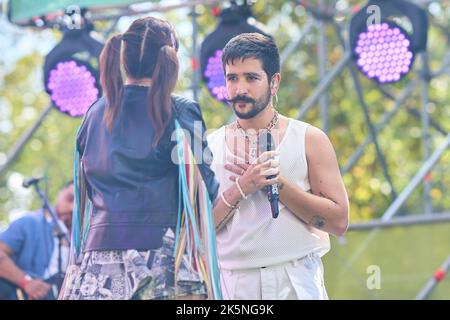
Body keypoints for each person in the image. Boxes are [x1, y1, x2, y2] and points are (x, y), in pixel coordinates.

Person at [59, 17, 226, 300]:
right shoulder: (179, 111)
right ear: (171, 57)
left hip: (96, 262)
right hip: (158, 256)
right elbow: (204, 191)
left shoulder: (94, 114)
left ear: (123, 57)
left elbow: (86, 184)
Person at [207, 33, 350, 300]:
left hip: (296, 278)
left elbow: (339, 221)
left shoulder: (309, 138)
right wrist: (242, 187)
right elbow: (197, 233)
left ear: (274, 83)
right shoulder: (209, 145)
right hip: (234, 284)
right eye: (232, 78)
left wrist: (277, 183)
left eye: (251, 78)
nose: (240, 89)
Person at [0, 181, 74, 300]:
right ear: (59, 194)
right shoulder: (28, 222)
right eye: (70, 199)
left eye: (79, 204)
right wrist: (26, 282)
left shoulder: (83, 243)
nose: (72, 207)